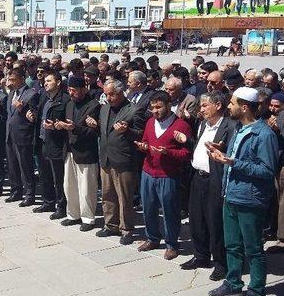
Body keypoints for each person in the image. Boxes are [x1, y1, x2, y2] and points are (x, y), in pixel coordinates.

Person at [207, 87, 278, 296]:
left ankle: (256, 290)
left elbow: (267, 170)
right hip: (231, 195)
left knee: (253, 248)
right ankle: (233, 283)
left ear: (244, 107)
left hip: (250, 199)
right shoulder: (238, 128)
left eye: (232, 103)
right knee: (232, 245)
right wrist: (221, 154)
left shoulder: (264, 134)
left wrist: (233, 162)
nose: (229, 106)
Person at [178, 92, 237, 281]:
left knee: (215, 222)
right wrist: (187, 141)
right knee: (197, 219)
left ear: (218, 105)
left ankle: (221, 263)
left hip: (215, 179)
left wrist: (222, 150)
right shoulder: (203, 124)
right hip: (198, 177)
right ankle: (201, 256)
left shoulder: (230, 126)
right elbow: (200, 146)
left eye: (204, 106)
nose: (201, 109)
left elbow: (231, 152)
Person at [134, 91, 192, 260]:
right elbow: (145, 140)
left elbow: (187, 154)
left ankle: (172, 243)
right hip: (148, 172)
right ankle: (152, 238)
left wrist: (169, 152)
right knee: (148, 207)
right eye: (152, 107)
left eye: (158, 107)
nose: (155, 111)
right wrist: (142, 146)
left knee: (169, 210)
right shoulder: (150, 122)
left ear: (168, 105)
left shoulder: (181, 126)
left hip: (168, 175)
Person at [91, 79, 145, 245]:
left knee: (125, 197)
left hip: (124, 160)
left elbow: (141, 134)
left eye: (112, 94)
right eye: (106, 94)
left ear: (121, 93)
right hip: (106, 158)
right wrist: (94, 126)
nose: (108, 98)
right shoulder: (104, 108)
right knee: (107, 195)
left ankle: (127, 228)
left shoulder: (134, 109)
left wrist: (127, 130)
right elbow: (104, 131)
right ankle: (110, 224)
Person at [59, 76, 100, 231]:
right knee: (69, 185)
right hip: (69, 150)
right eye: (69, 90)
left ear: (83, 89)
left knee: (86, 187)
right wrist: (58, 126)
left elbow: (93, 131)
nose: (71, 93)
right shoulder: (69, 104)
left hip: (86, 152)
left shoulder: (94, 105)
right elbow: (67, 124)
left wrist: (74, 128)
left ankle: (88, 218)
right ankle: (73, 214)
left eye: (74, 90)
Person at [32, 71, 70, 217]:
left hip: (57, 143)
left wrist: (55, 126)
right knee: (44, 174)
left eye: (49, 81)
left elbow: (68, 124)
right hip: (42, 140)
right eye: (45, 81)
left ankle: (61, 206)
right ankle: (47, 202)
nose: (45, 83)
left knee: (58, 177)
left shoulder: (65, 100)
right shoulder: (44, 97)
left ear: (58, 82)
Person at [5, 68, 40, 206]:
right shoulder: (12, 93)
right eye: (10, 80)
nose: (11, 82)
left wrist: (24, 110)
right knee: (12, 165)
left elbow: (34, 116)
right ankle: (16, 191)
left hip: (23, 135)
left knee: (25, 166)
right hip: (10, 134)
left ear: (22, 78)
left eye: (13, 80)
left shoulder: (31, 94)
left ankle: (30, 194)